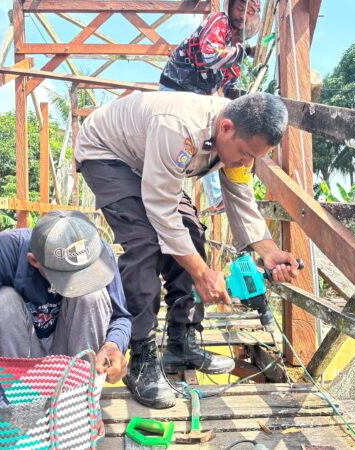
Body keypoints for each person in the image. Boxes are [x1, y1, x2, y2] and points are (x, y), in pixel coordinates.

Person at [75, 91, 301, 409]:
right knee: (145, 243)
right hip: (107, 154)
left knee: (192, 233)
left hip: (147, 161)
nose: (247, 162)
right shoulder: (179, 128)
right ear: (225, 128)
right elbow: (161, 211)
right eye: (246, 153)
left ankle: (182, 341)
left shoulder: (236, 142)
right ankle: (140, 356)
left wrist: (268, 250)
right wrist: (200, 273)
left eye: (255, 157)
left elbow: (239, 191)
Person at [0, 210, 131, 409]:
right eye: (69, 279)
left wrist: (114, 345)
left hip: (71, 356)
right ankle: (16, 404)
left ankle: (79, 405)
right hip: (21, 357)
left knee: (92, 294)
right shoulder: (6, 250)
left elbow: (121, 317)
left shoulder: (97, 252)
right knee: (2, 302)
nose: (78, 283)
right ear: (33, 261)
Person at [159, 0, 262, 210]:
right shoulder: (219, 21)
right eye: (241, 7)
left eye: (249, 11)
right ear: (231, 6)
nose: (243, 13)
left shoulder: (233, 53)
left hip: (196, 97)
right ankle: (164, 193)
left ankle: (217, 197)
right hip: (176, 88)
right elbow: (210, 55)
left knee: (215, 133)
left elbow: (232, 89)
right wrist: (244, 51)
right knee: (178, 138)